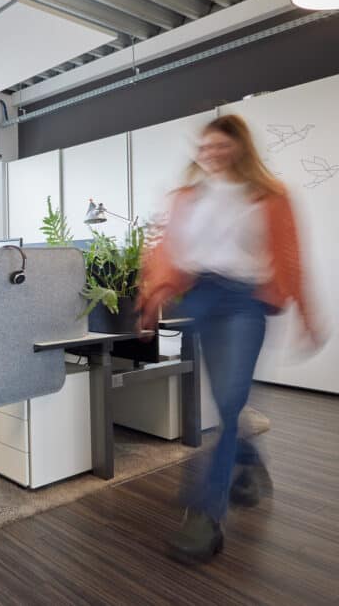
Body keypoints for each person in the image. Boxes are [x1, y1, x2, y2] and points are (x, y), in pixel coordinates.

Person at [137, 114, 322, 563]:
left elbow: (290, 256)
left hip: (244, 301)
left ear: (240, 147)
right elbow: (164, 251)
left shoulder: (268, 196)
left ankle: (206, 515)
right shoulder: (187, 197)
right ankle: (250, 461)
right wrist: (152, 297)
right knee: (224, 404)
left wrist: (306, 311)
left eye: (221, 145)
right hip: (201, 297)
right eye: (205, 146)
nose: (212, 153)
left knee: (232, 399)